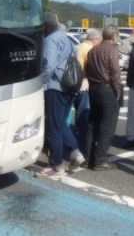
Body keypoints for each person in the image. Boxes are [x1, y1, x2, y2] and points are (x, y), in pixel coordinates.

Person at [39, 12, 85, 177]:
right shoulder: (66, 38)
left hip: (55, 87)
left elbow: (48, 66)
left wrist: (39, 83)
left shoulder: (51, 40)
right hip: (70, 86)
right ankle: (75, 153)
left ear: (46, 26)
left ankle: (56, 165)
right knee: (61, 124)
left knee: (52, 127)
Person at [84, 25, 122, 170]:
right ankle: (100, 160)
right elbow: (115, 74)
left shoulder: (93, 50)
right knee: (107, 126)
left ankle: (88, 157)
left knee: (92, 123)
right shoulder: (112, 50)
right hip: (107, 90)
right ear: (114, 37)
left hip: (93, 88)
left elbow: (87, 69)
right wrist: (117, 92)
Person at [73, 29, 102, 154]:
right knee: (83, 116)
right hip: (84, 85)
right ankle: (82, 146)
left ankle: (75, 141)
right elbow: (89, 69)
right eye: (99, 42)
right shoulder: (89, 50)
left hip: (74, 85)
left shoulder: (77, 46)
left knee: (76, 115)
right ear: (95, 40)